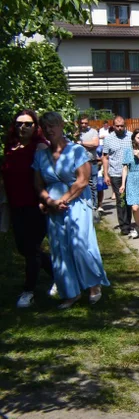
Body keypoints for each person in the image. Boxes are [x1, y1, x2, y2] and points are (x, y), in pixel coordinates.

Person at [33, 112, 109, 309]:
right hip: (53, 207)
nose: (50, 130)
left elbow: (82, 181)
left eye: (53, 125)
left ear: (61, 126)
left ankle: (93, 285)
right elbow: (38, 185)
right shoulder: (41, 155)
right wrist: (49, 201)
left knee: (81, 245)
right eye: (45, 126)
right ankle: (70, 293)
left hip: (76, 204)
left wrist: (63, 200)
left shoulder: (76, 150)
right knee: (59, 249)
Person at [3, 110, 50, 308]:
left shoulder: (39, 147)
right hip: (15, 204)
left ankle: (28, 291)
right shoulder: (11, 146)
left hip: (35, 205)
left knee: (31, 249)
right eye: (20, 123)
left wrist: (45, 199)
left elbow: (47, 175)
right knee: (24, 248)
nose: (23, 127)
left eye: (28, 124)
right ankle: (58, 274)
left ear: (36, 127)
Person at [100, 115, 133, 235]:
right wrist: (106, 174)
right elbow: (105, 157)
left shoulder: (130, 136)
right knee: (121, 200)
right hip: (115, 173)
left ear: (125, 126)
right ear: (113, 126)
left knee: (129, 199)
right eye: (117, 126)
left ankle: (129, 223)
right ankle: (124, 226)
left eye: (122, 126)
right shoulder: (108, 139)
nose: (119, 128)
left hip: (130, 172)